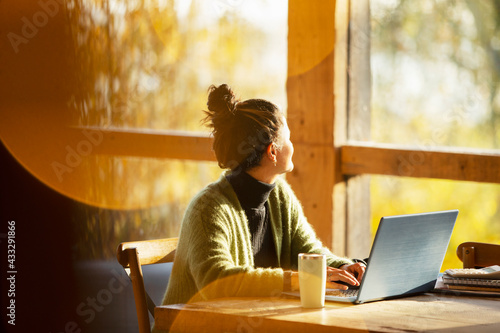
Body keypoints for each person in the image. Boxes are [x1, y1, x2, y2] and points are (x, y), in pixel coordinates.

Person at [161, 84, 365, 306]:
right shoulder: (208, 208)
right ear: (272, 151)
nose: (292, 145)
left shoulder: (280, 196)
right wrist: (296, 280)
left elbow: (308, 251)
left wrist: (344, 267)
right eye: (289, 138)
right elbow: (216, 281)